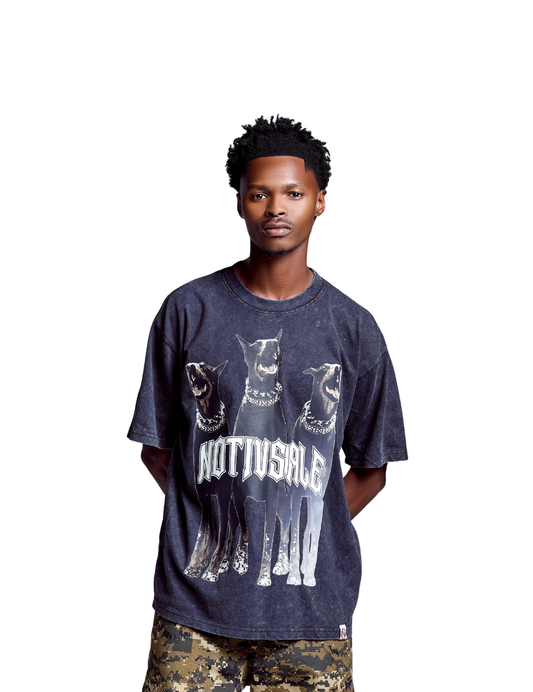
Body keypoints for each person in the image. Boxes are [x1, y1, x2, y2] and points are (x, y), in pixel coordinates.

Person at [128, 116, 408, 691]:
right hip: (194, 608)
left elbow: (372, 468)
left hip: (312, 613)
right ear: (239, 202)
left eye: (293, 194)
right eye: (258, 194)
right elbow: (157, 449)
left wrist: (301, 519)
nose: (275, 208)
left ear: (320, 201)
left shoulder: (353, 328)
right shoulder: (188, 311)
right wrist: (218, 515)